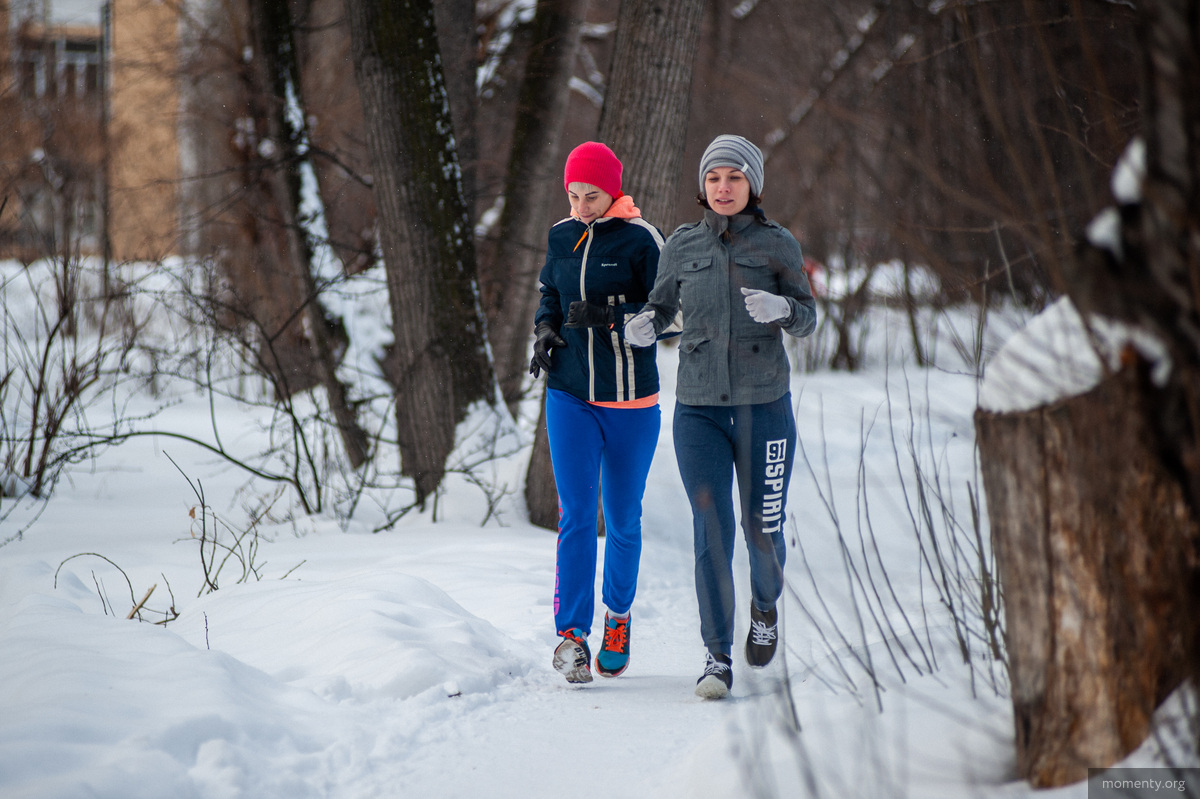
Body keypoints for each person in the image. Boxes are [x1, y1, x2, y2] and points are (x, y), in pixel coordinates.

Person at [625, 134, 816, 699]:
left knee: (762, 532)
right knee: (710, 532)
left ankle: (764, 605)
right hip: (699, 410)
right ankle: (716, 657)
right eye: (714, 178)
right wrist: (647, 324)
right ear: (703, 187)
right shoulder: (681, 245)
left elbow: (807, 316)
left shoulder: (779, 244)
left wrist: (785, 309)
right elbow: (661, 305)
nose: (723, 187)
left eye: (734, 177)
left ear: (752, 185)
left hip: (765, 408)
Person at [529, 141, 666, 684]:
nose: (581, 206)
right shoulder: (561, 236)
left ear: (614, 191)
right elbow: (549, 294)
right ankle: (571, 636)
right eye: (573, 195)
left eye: (591, 196)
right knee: (577, 515)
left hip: (630, 400)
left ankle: (618, 618)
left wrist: (615, 315)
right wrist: (544, 327)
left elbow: (670, 314)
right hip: (568, 395)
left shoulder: (642, 240)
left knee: (623, 519)